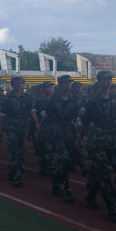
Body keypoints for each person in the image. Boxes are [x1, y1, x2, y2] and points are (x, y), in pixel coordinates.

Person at [77, 71, 116, 224]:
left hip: (111, 140)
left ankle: (91, 194)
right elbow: (85, 122)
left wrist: (111, 125)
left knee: (99, 170)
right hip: (97, 140)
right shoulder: (92, 101)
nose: (109, 82)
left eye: (110, 79)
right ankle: (113, 208)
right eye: (106, 79)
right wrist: (82, 137)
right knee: (105, 173)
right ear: (99, 81)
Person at [36, 75, 82, 203]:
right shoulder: (53, 100)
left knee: (64, 163)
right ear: (60, 85)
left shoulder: (74, 100)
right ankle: (66, 190)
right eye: (66, 83)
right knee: (65, 161)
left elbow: (80, 113)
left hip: (70, 134)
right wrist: (39, 132)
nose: (68, 85)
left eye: (69, 83)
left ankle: (55, 185)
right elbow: (45, 117)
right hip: (57, 134)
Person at [0, 76, 38, 187]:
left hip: (22, 127)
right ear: (12, 85)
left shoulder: (27, 97)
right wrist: (0, 129)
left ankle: (13, 171)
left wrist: (37, 123)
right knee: (14, 151)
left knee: (20, 151)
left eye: (21, 83)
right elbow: (2, 114)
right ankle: (16, 176)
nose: (20, 85)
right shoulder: (6, 98)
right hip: (11, 127)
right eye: (17, 83)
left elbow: (31, 111)